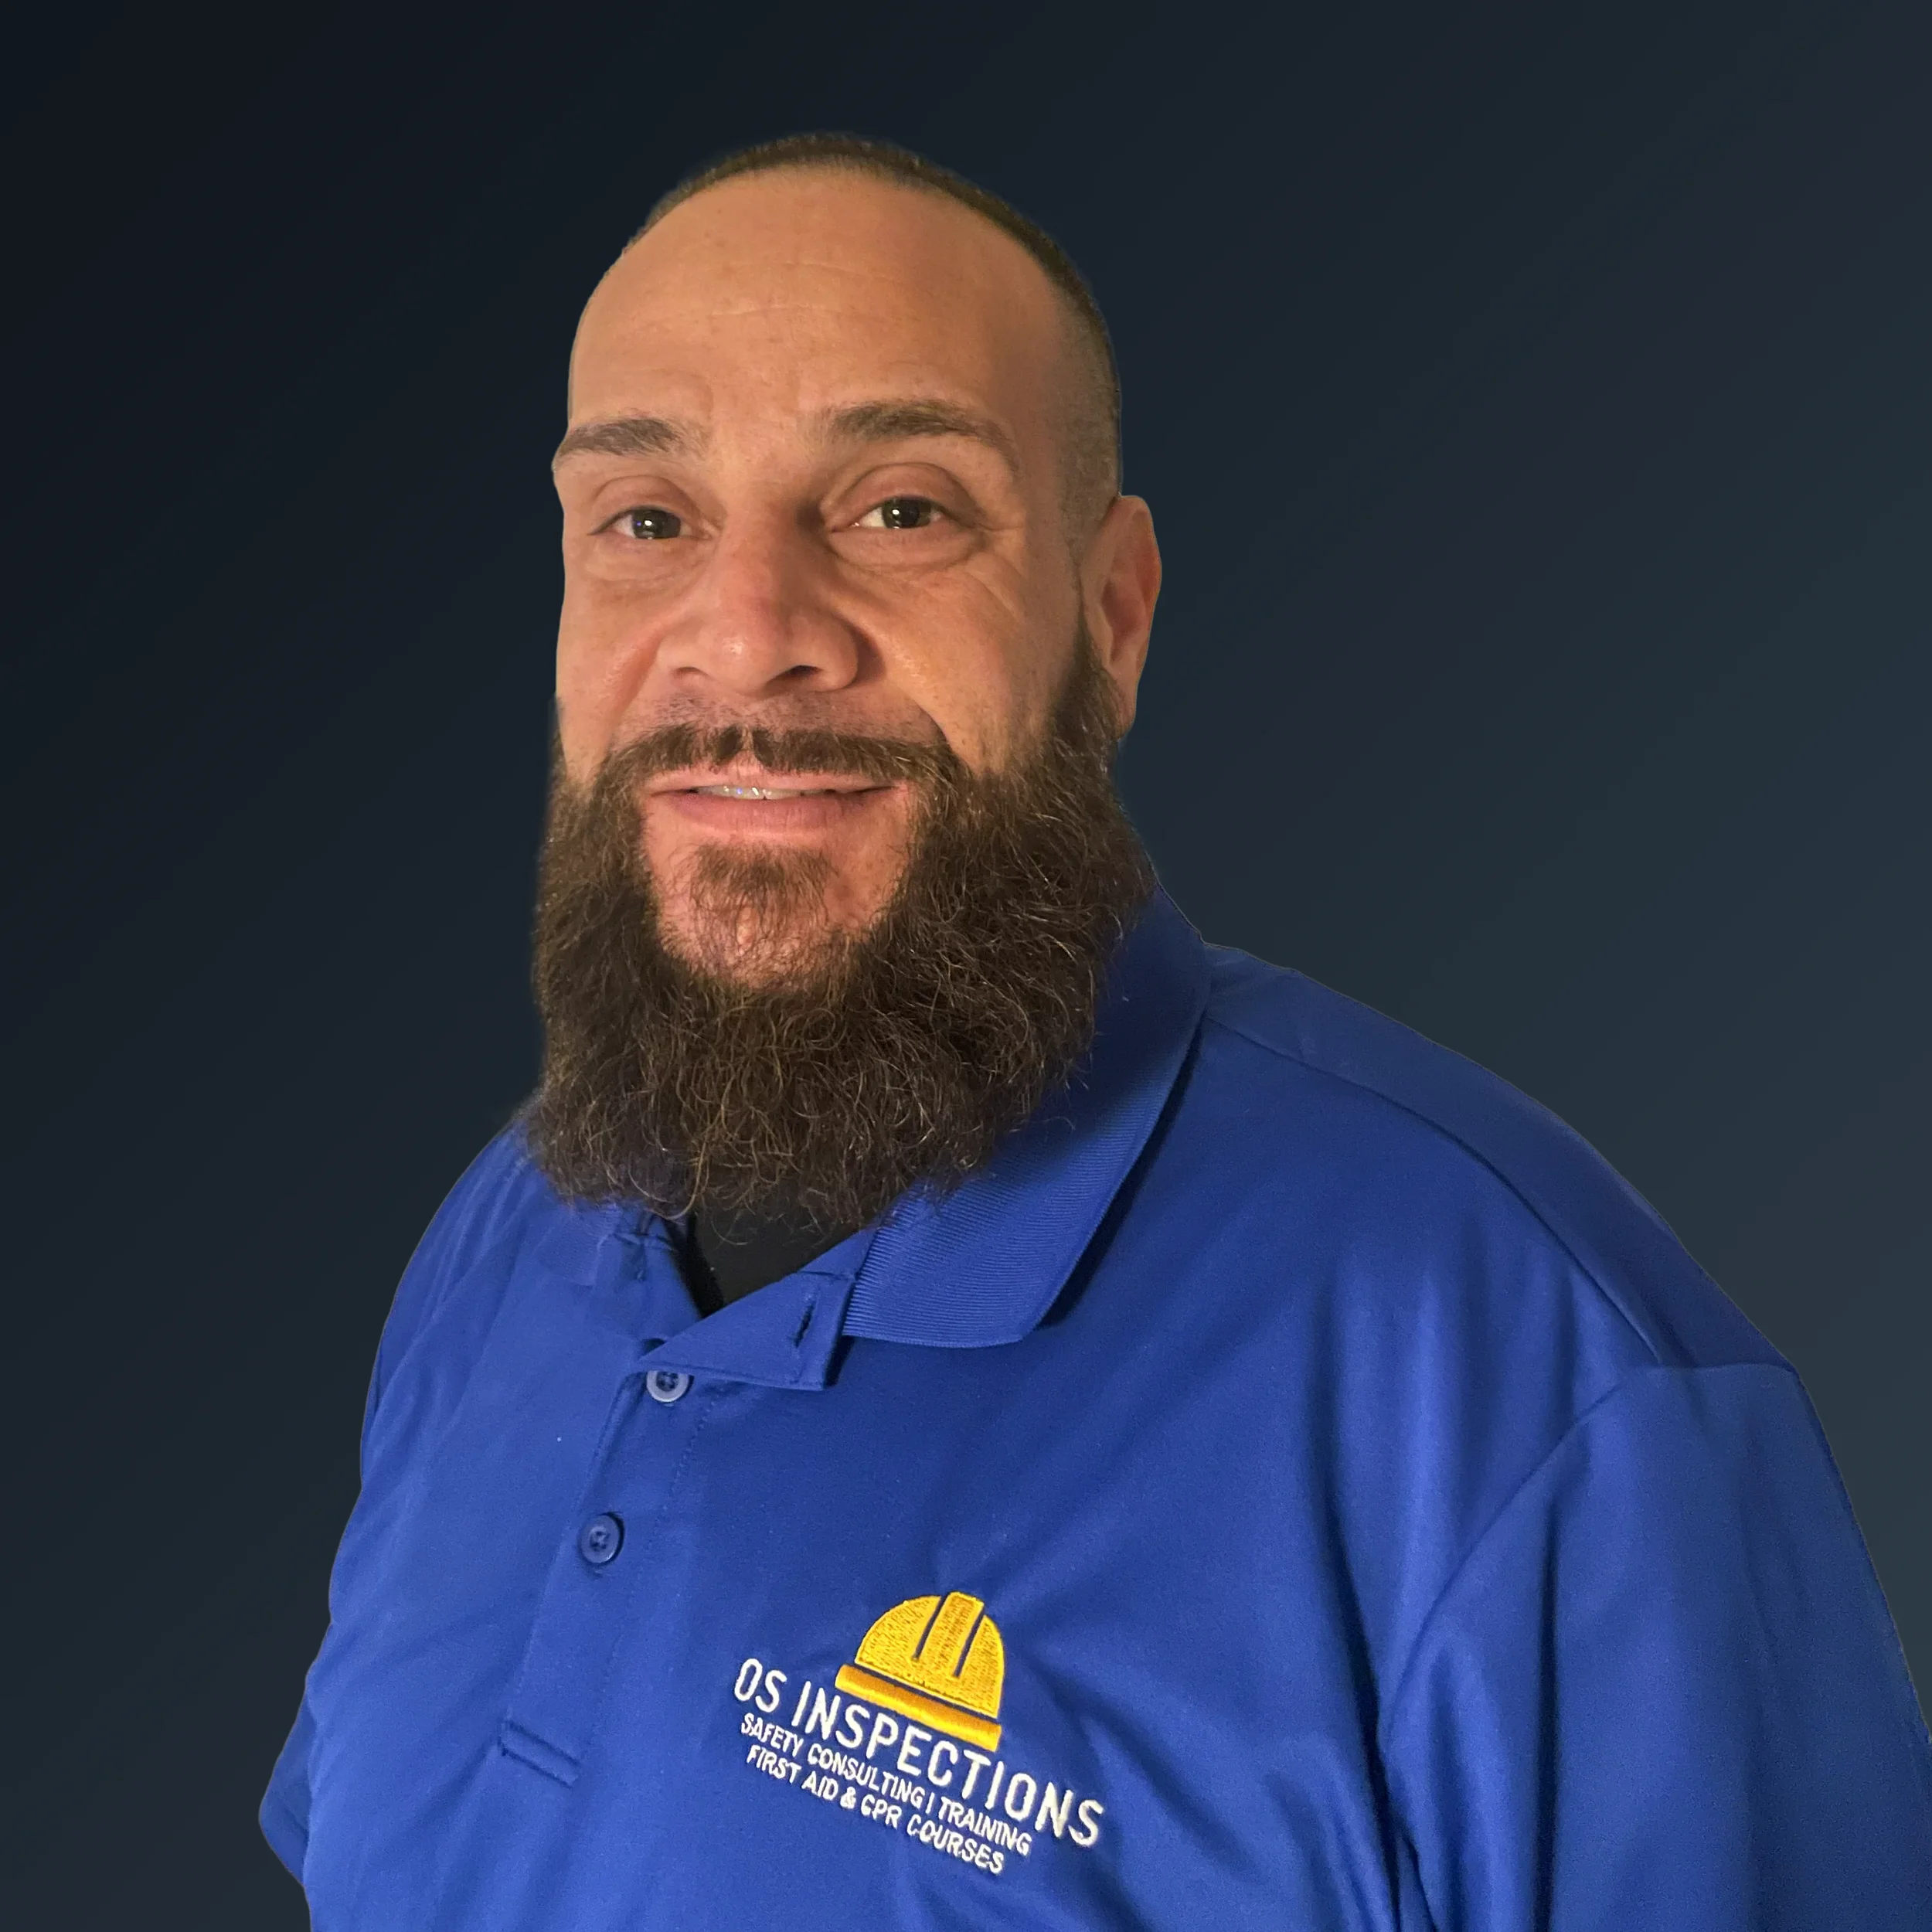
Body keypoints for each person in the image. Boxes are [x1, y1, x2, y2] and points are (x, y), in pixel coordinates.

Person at [262, 134, 1932, 1930]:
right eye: (646, 521)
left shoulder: (1531, 1384)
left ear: (1111, 616)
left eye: (900, 507)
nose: (743, 637)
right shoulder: (504, 1237)